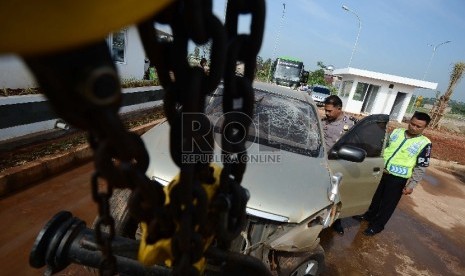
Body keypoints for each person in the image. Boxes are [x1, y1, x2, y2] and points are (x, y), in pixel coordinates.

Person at [353, 111, 432, 236]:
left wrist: (412, 185)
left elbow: (421, 166)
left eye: (419, 126)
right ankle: (369, 215)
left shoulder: (425, 143)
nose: (414, 128)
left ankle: (377, 226)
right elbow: (383, 146)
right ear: (410, 121)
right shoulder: (397, 132)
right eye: (412, 124)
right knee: (375, 197)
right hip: (382, 171)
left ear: (425, 127)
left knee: (388, 204)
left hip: (398, 178)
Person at [321, 95, 356, 235]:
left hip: (339, 165)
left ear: (339, 108)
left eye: (329, 111)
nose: (326, 113)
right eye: (325, 110)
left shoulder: (351, 125)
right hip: (321, 162)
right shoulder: (322, 121)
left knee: (337, 194)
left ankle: (337, 221)